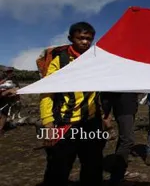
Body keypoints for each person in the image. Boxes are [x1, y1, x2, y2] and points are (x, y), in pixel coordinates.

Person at [39, 22, 106, 185]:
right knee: (58, 167)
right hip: (65, 124)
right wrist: (48, 124)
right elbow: (47, 92)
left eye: (89, 39)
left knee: (93, 165)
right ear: (71, 38)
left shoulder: (95, 60)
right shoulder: (60, 60)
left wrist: (104, 115)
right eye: (81, 38)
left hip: (91, 122)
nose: (85, 42)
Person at [100, 92, 140, 184]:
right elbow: (107, 93)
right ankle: (117, 175)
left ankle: (120, 169)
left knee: (124, 139)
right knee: (127, 140)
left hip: (129, 107)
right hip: (123, 108)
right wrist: (106, 111)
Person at [0, 68, 19, 135]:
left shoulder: (14, 79)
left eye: (10, 71)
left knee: (4, 113)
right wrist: (6, 79)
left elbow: (17, 87)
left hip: (7, 98)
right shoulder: (2, 77)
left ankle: (1, 129)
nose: (9, 73)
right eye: (7, 71)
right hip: (2, 95)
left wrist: (15, 95)